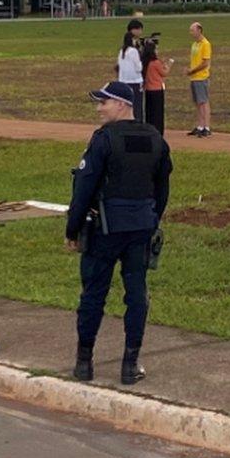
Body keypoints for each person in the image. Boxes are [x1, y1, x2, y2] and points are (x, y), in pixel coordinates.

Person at [67, 81, 172, 385]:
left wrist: (72, 229)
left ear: (123, 104)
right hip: (140, 227)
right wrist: (152, 219)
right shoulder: (155, 137)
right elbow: (162, 187)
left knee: (93, 294)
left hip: (105, 229)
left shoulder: (103, 140)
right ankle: (130, 364)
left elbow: (84, 187)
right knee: (136, 295)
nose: (99, 108)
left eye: (104, 102)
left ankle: (83, 363)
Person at [186, 22, 212, 137]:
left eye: (192, 30)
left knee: (204, 102)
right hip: (194, 77)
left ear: (199, 30)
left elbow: (205, 63)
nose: (191, 33)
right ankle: (200, 126)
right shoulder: (194, 44)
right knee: (197, 103)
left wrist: (193, 70)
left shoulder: (205, 44)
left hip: (201, 77)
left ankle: (206, 126)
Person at [143, 40, 172, 135]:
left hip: (148, 89)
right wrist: (169, 65)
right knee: (158, 113)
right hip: (157, 90)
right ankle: (158, 132)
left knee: (149, 112)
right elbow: (164, 73)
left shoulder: (146, 63)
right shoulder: (155, 62)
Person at [117, 21, 145, 122]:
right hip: (135, 81)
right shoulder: (133, 51)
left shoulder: (121, 52)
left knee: (126, 105)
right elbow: (138, 68)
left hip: (124, 81)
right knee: (137, 106)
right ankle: (138, 125)